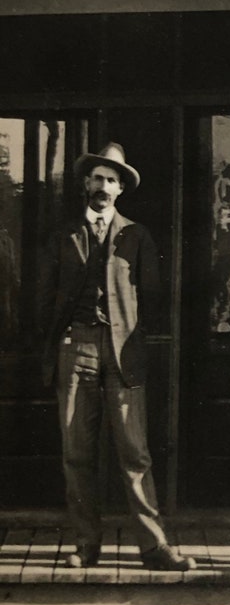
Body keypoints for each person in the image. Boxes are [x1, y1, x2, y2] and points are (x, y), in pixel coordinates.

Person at [39, 143, 195, 571]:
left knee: (135, 452)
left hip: (123, 353)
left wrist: (132, 334)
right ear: (85, 185)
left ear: (121, 188)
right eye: (96, 179)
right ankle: (86, 544)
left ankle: (153, 546)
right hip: (76, 348)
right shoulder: (63, 235)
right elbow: (44, 297)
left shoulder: (136, 235)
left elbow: (155, 296)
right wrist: (62, 341)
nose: (102, 187)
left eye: (110, 180)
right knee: (77, 452)